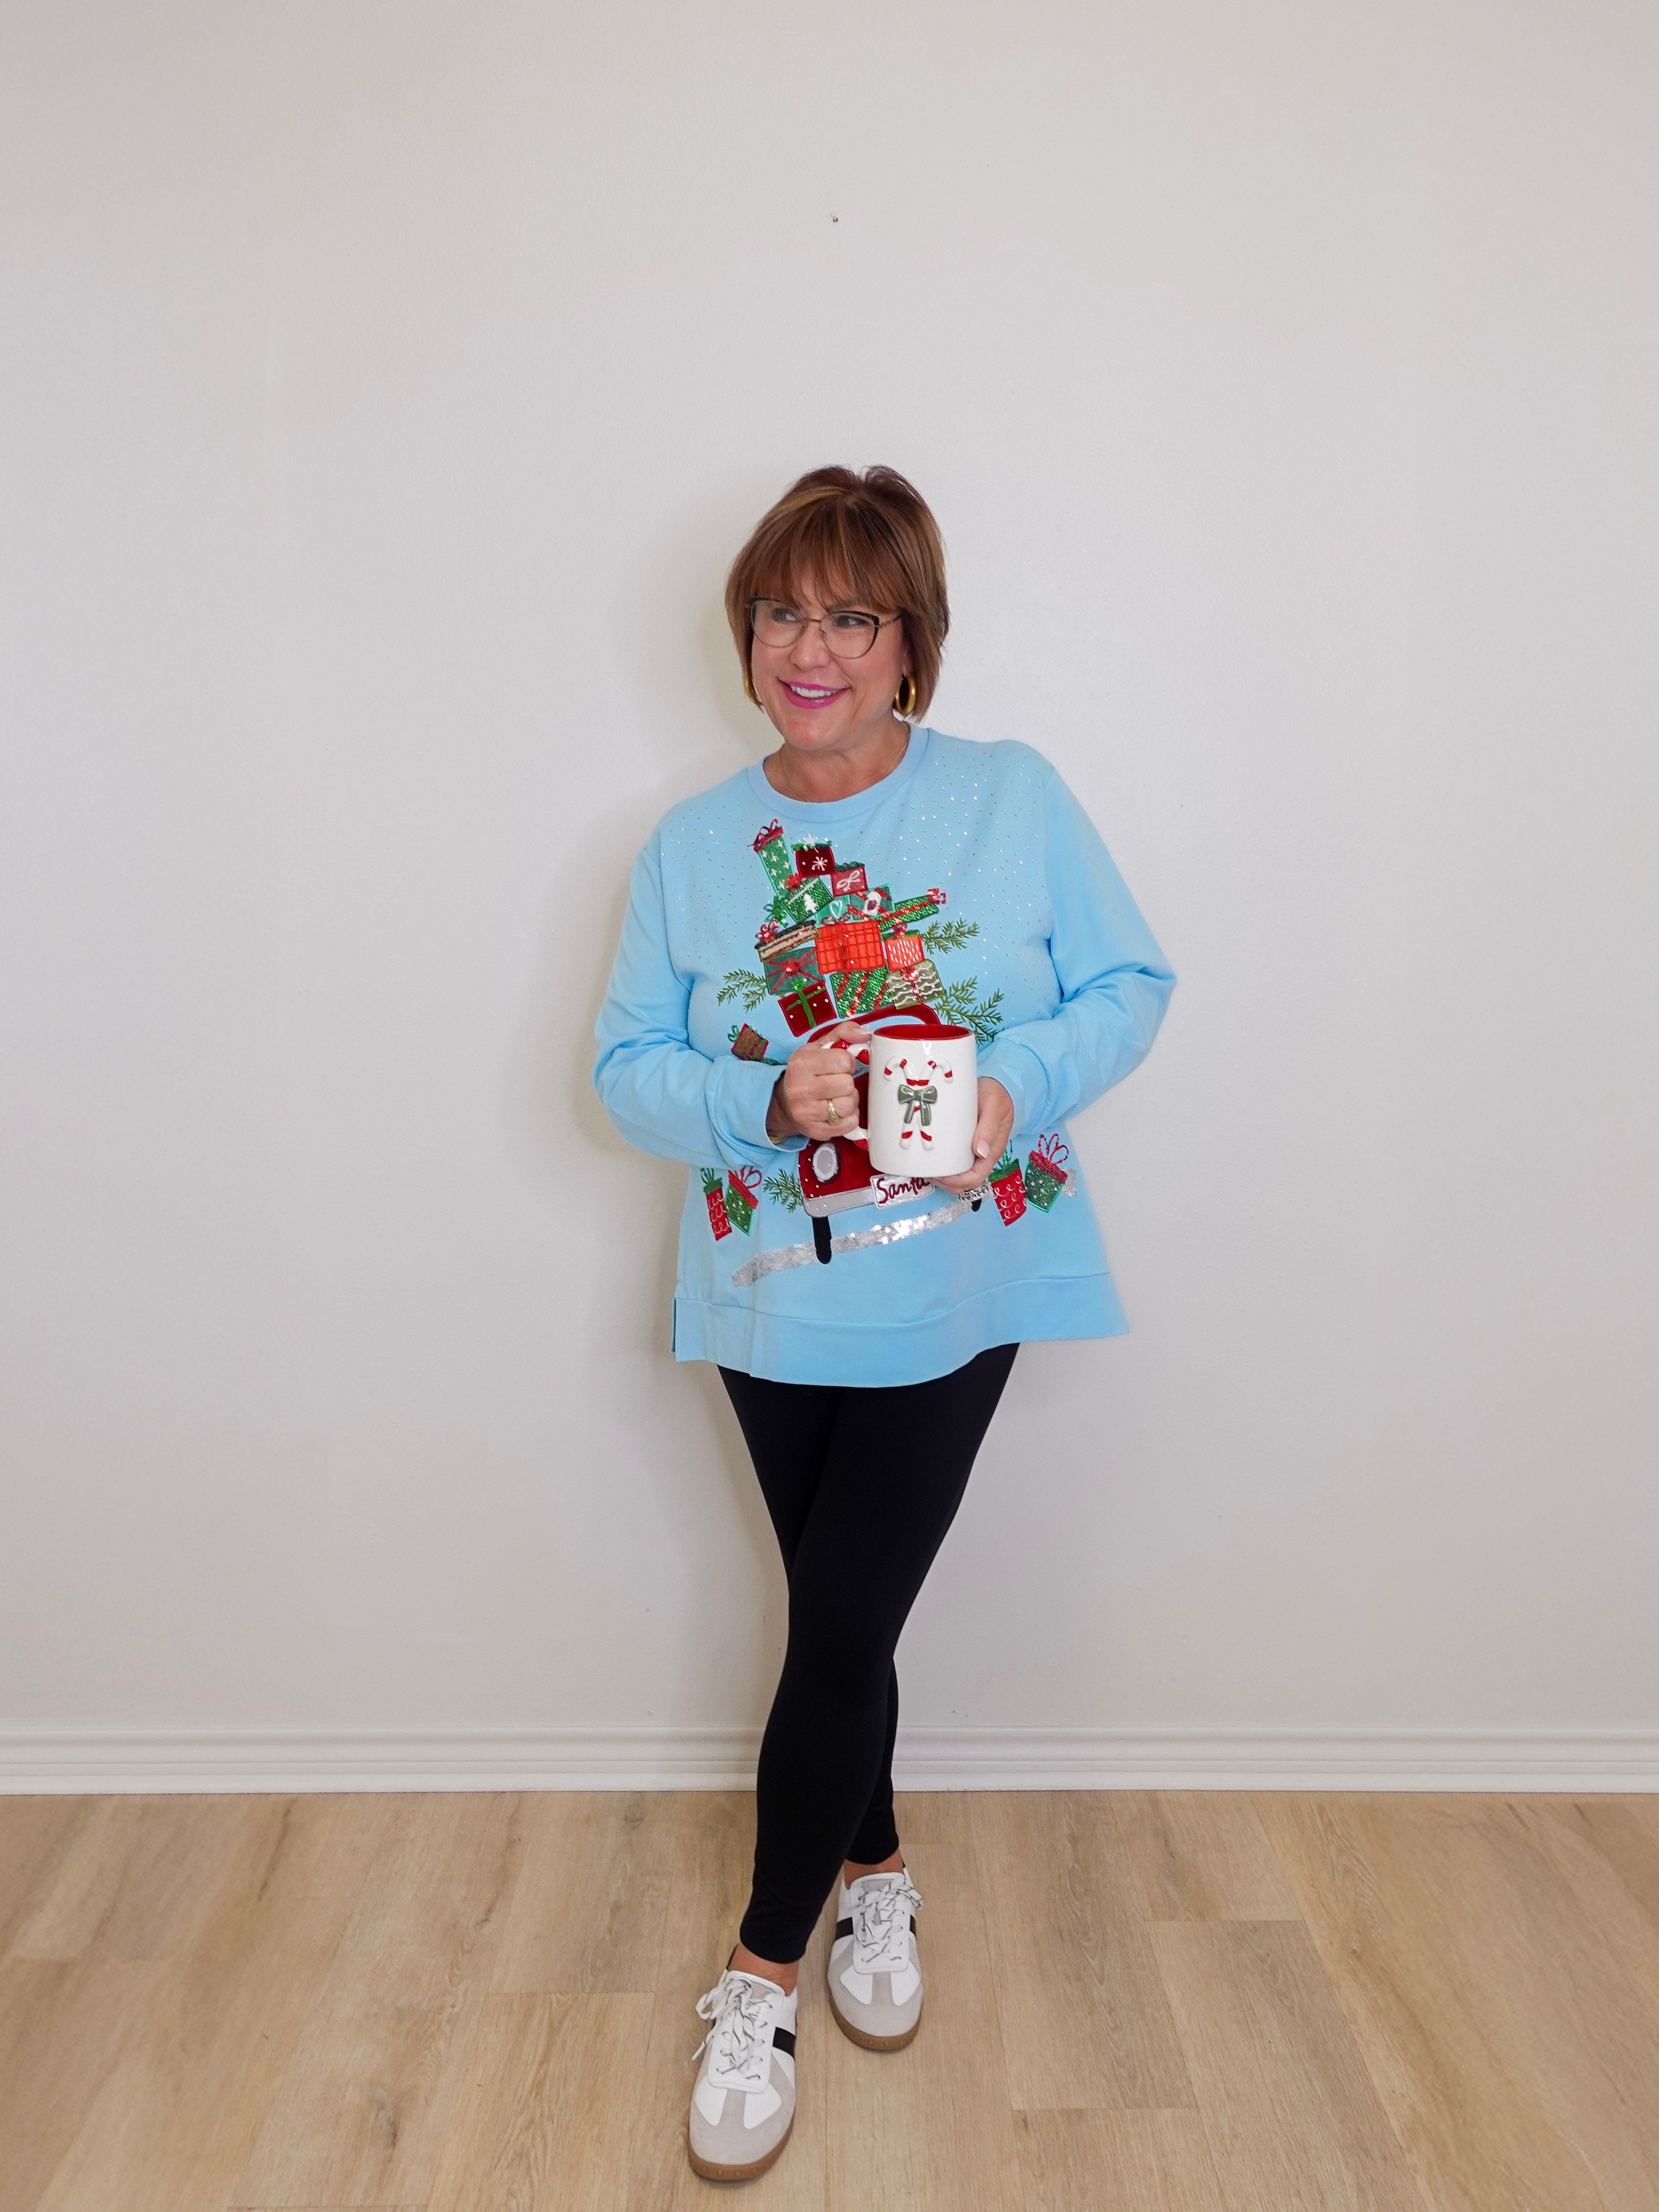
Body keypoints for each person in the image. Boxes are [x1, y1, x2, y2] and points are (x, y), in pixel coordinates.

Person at [593, 465, 1175, 2182]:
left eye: (854, 616)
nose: (812, 649)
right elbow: (623, 1069)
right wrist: (762, 1097)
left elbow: (1130, 983)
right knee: (840, 1625)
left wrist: (1014, 1086)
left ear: (912, 639)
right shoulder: (691, 850)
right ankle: (881, 1873)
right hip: (769, 1290)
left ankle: (760, 1974)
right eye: (783, 611)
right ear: (746, 633)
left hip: (959, 1279)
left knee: (839, 1625)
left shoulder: (1012, 797)